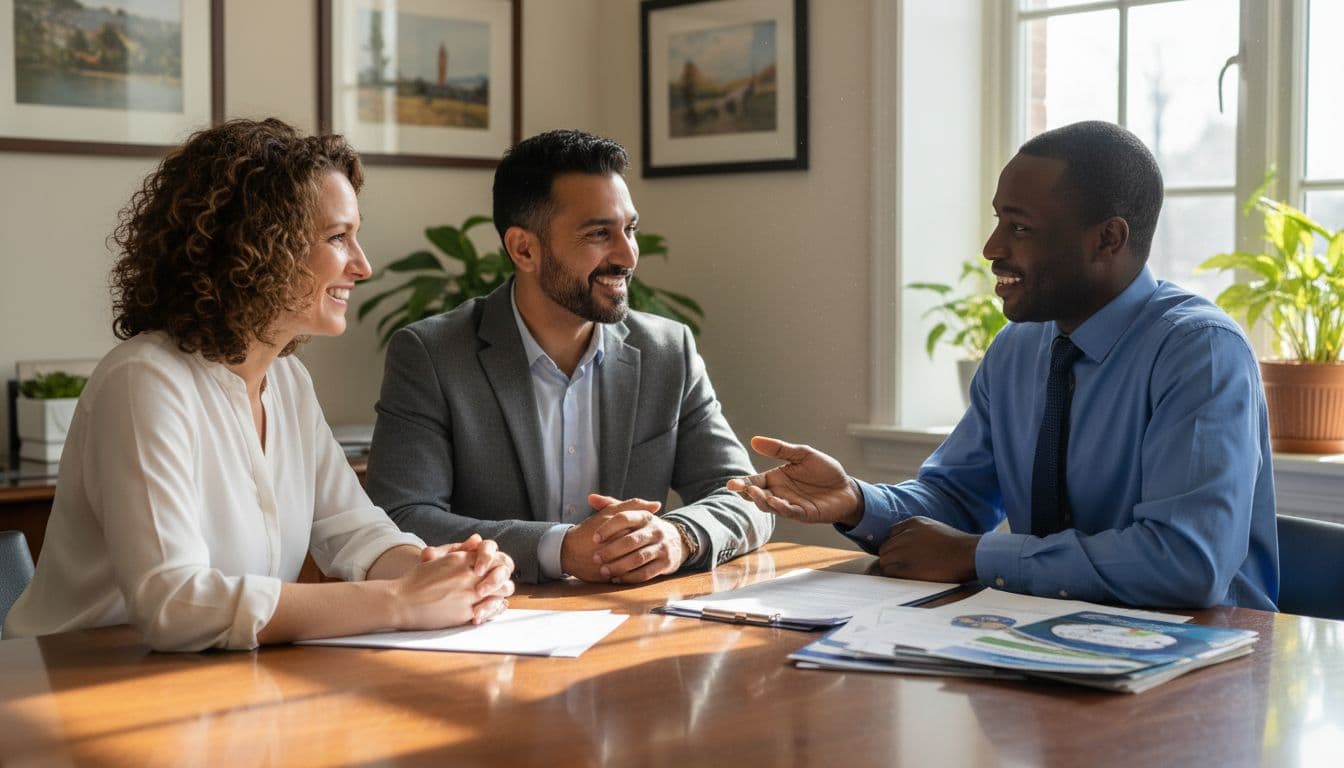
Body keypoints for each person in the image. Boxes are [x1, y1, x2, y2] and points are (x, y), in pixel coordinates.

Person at [2, 119, 515, 651]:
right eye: (338, 238)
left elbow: (354, 529)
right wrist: (400, 603)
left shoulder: (288, 381)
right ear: (259, 247)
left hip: (206, 684)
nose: (362, 265)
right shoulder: (144, 381)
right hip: (71, 686)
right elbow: (174, 602)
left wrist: (442, 571)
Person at [729, 121, 1278, 610]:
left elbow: (1186, 565)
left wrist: (977, 557)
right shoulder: (1019, 348)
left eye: (1019, 228)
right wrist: (854, 499)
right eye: (998, 221)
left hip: (1208, 665)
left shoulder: (1200, 352)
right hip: (1054, 645)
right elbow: (956, 502)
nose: (991, 247)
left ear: (1107, 239)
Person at [366, 129, 773, 584]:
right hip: (492, 627)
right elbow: (401, 517)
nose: (627, 255)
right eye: (599, 233)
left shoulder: (667, 352)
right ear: (524, 249)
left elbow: (746, 496)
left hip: (637, 623)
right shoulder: (433, 355)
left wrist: (680, 537)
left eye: (630, 229)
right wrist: (559, 548)